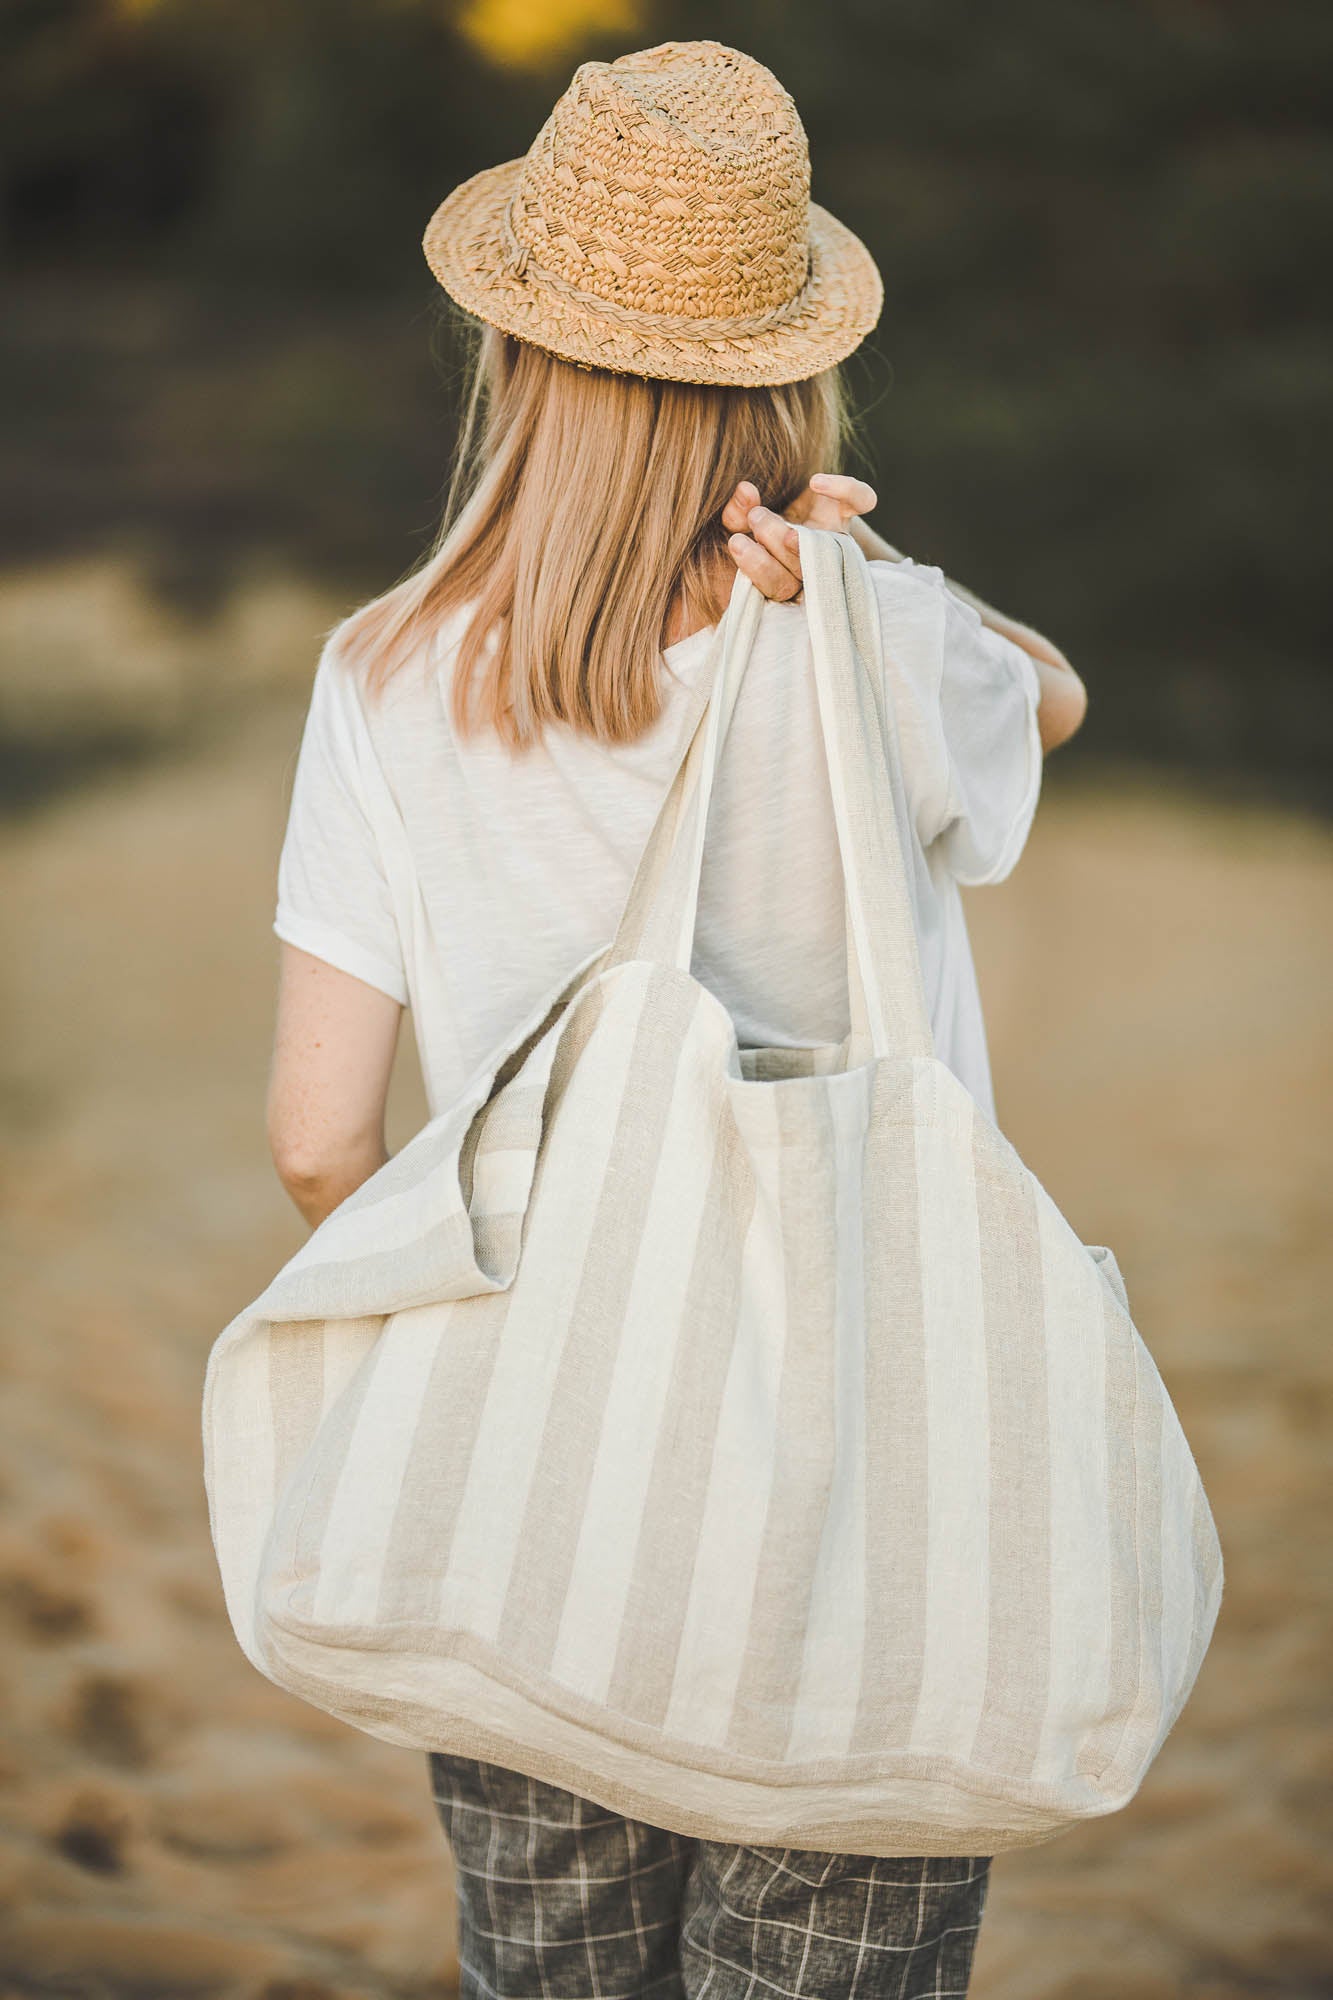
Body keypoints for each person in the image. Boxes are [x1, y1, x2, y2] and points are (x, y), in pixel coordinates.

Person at [263, 39, 1087, 2000]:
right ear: (783, 367)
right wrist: (864, 573)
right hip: (870, 1493)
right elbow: (1050, 699)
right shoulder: (869, 641)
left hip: (537, 1489)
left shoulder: (379, 677)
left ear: (520, 352)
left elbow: (316, 1136)